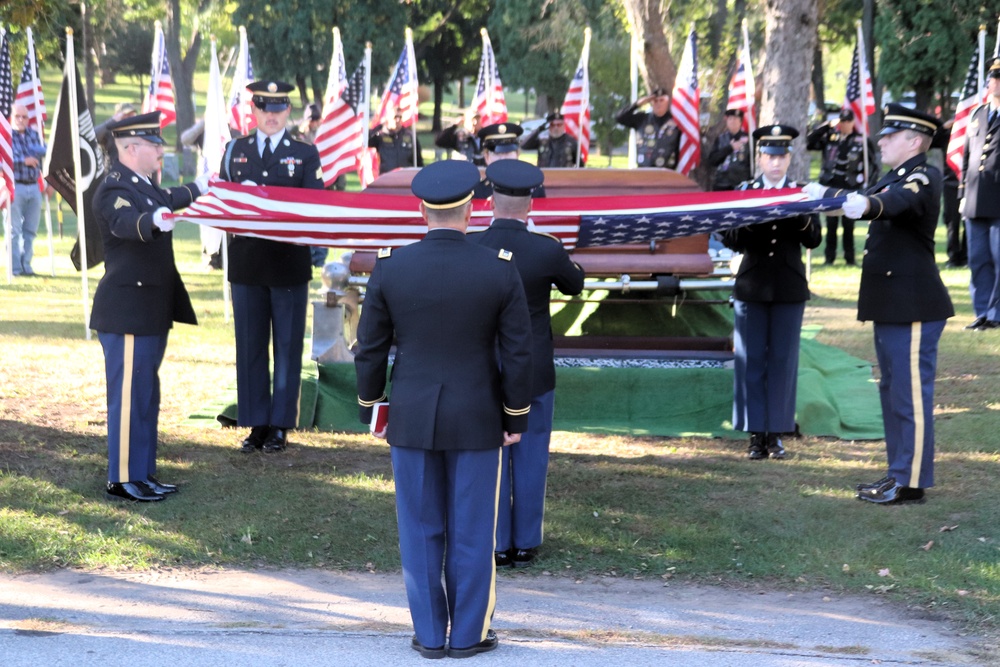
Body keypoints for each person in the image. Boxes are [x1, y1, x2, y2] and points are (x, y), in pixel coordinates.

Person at [354, 160, 533, 658]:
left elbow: (369, 349)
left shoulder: (391, 266)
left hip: (410, 415)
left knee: (419, 529)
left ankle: (431, 636)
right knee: (474, 530)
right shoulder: (496, 266)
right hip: (479, 416)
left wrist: (374, 407)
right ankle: (469, 635)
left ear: (421, 211)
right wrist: (515, 416)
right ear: (473, 209)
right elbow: (518, 352)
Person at [805, 104, 954, 504]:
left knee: (910, 397)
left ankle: (912, 481)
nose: (881, 139)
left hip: (914, 304)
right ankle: (897, 472)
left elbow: (897, 202)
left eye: (891, 135)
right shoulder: (894, 175)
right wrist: (825, 196)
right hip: (892, 302)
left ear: (915, 141)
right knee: (892, 393)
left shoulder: (924, 175)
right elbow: (869, 196)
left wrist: (867, 206)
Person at [469, 160, 585, 569]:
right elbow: (575, 284)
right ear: (531, 203)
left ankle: (497, 542)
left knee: (491, 452)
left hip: (487, 367)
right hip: (534, 367)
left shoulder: (474, 246)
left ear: (490, 200)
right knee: (532, 454)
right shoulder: (547, 248)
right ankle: (525, 542)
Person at [90, 111, 207, 502]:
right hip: (127, 310)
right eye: (154, 145)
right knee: (127, 398)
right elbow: (125, 222)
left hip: (149, 309)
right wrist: (152, 221)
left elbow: (171, 198)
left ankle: (142, 471)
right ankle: (122, 478)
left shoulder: (144, 184)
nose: (160, 150)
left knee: (145, 395)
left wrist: (202, 187)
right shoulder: (113, 188)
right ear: (130, 148)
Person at [219, 80, 324, 453]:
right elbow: (223, 199)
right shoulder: (235, 150)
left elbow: (315, 204)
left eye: (278, 109)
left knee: (287, 345)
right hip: (247, 264)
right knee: (249, 346)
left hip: (288, 265)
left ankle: (280, 423)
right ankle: (255, 421)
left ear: (288, 112)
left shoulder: (305, 154)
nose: (271, 116)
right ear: (254, 111)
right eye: (264, 108)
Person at [720, 125, 821, 460]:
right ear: (759, 158)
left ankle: (776, 432)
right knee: (750, 361)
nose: (776, 163)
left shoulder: (800, 191)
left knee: (782, 360)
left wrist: (799, 210)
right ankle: (754, 433)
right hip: (752, 285)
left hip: (789, 287)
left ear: (789, 158)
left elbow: (813, 239)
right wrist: (749, 214)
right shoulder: (745, 190)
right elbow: (731, 238)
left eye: (782, 156)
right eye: (769, 156)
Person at [805, 109, 878, 265]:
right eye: (842, 121)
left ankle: (849, 258)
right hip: (830, 187)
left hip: (851, 187)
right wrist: (826, 126)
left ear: (852, 122)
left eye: (847, 121)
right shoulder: (831, 138)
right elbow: (810, 142)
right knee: (831, 225)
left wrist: (870, 186)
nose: (844, 124)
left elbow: (874, 165)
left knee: (848, 224)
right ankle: (829, 257)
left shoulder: (861, 140)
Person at [959, 58, 1000, 331]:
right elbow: (966, 157)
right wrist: (962, 192)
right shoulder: (977, 115)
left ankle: (997, 314)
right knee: (978, 259)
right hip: (974, 199)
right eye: (991, 78)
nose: (992, 82)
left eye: (997, 78)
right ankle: (982, 312)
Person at [9, 103, 47, 276]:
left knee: (30, 231)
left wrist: (49, 183)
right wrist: (24, 161)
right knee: (13, 230)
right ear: (12, 117)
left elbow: (46, 155)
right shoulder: (6, 136)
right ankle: (15, 268)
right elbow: (4, 161)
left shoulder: (34, 135)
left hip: (34, 186)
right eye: (17, 116)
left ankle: (27, 266)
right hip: (15, 187)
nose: (21, 120)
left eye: (24, 117)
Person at [615, 87, 681, 169]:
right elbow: (619, 117)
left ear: (667, 102)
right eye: (655, 101)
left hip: (667, 171)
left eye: (661, 100)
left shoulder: (676, 122)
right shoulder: (642, 119)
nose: (658, 103)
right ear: (651, 103)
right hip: (644, 170)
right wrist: (637, 104)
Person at [706, 108, 752, 191]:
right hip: (722, 184)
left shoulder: (749, 140)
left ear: (740, 122)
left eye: (735, 119)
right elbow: (712, 161)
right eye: (730, 119)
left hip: (742, 184)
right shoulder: (720, 139)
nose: (732, 121)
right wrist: (729, 148)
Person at [95, 102, 138, 168]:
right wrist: (112, 121)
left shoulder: (137, 132)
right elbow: (94, 136)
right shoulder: (109, 132)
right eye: (127, 115)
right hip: (113, 172)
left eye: (132, 115)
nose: (130, 118)